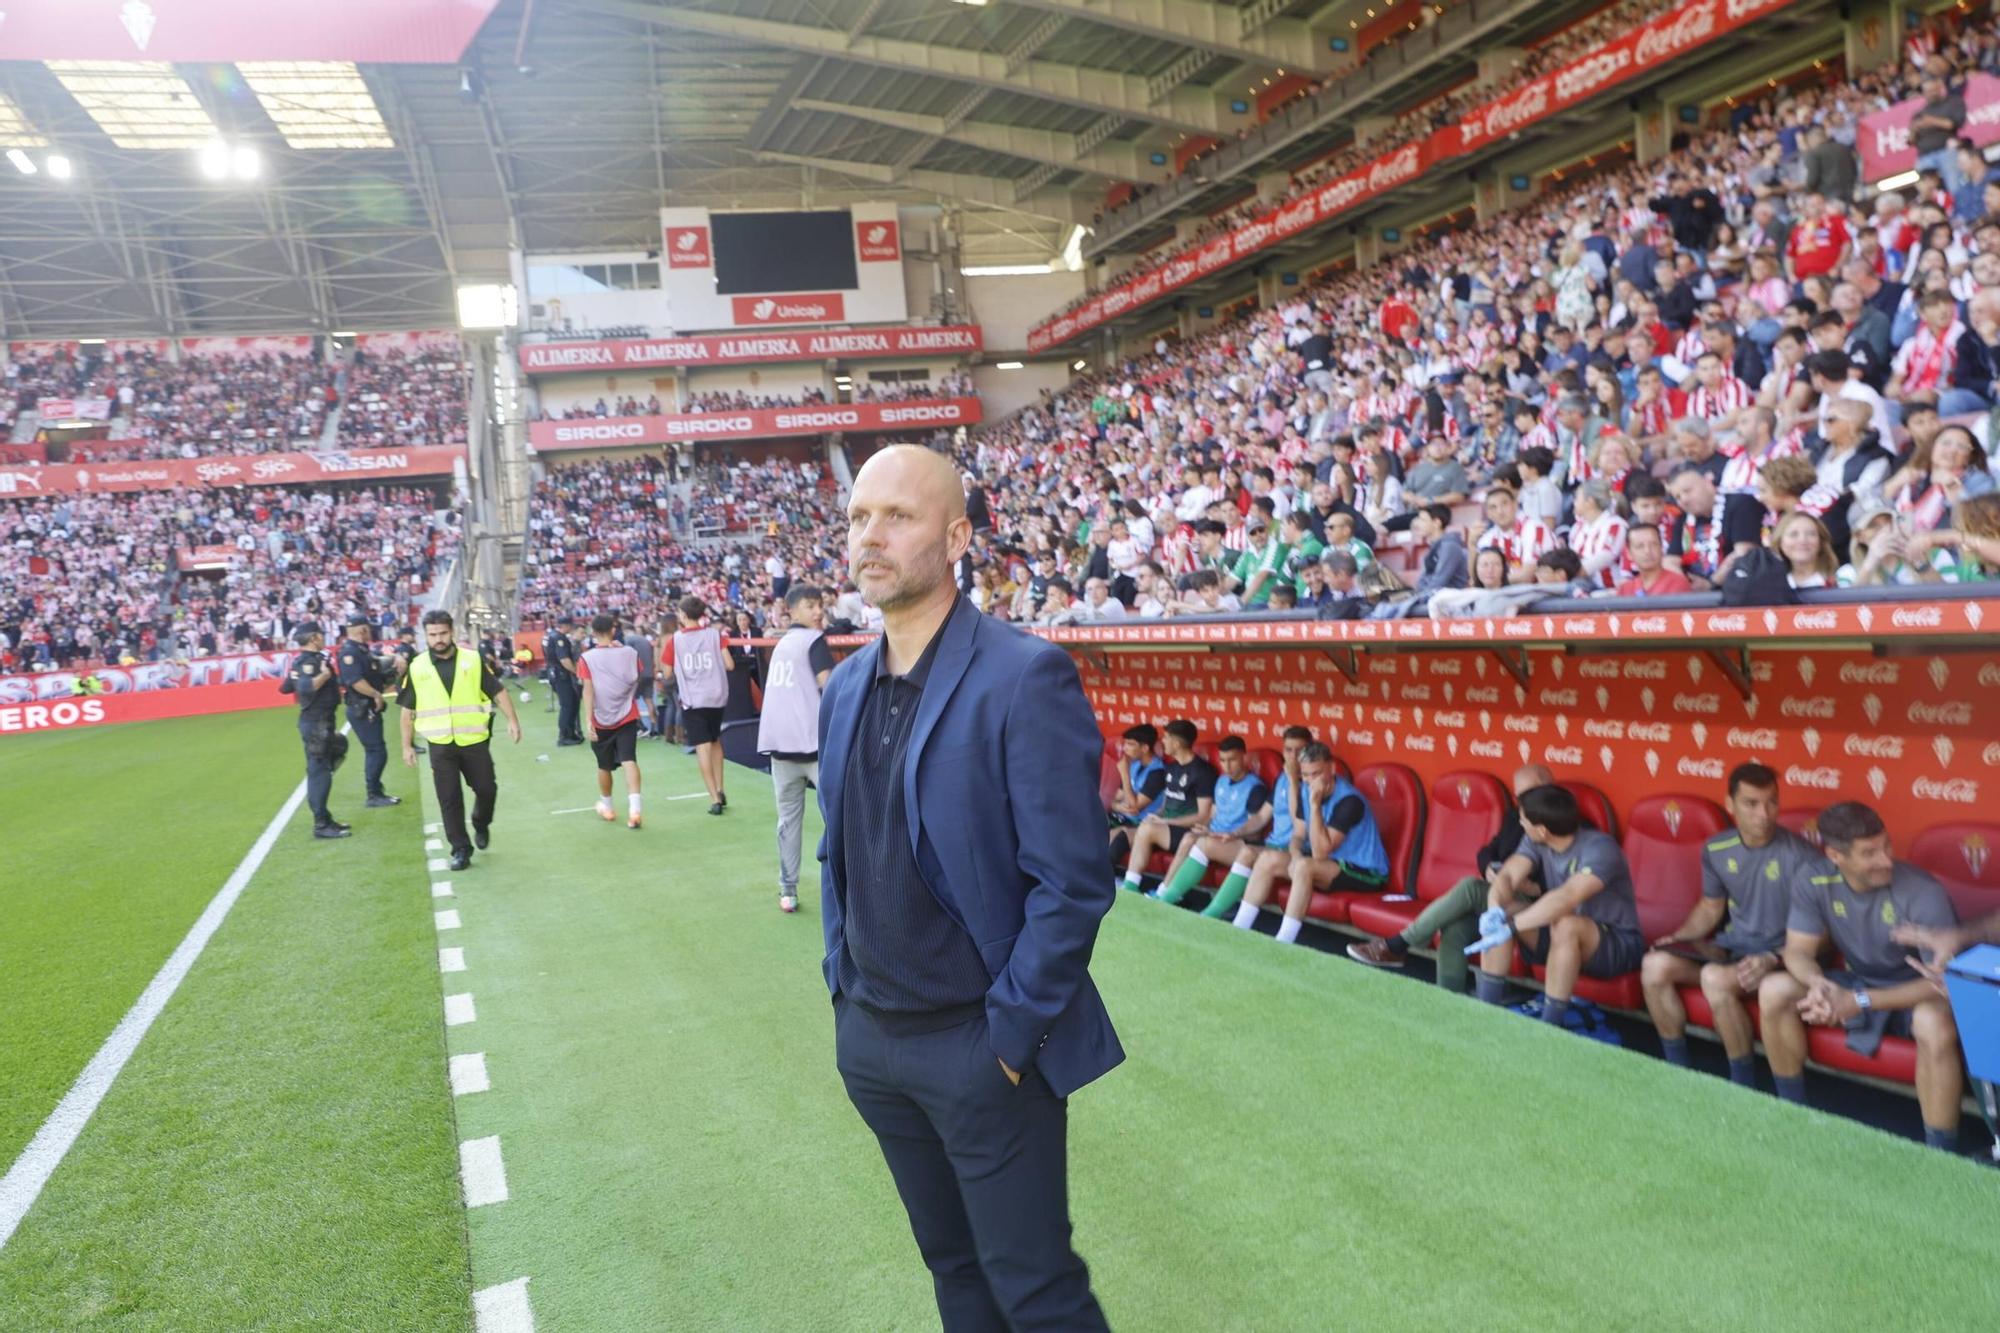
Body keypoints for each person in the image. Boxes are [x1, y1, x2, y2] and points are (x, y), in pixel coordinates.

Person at [816, 444, 1119, 1330]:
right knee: (954, 1274)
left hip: (980, 1047)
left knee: (1036, 1289)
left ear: (955, 537)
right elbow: (844, 853)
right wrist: (845, 995)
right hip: (874, 1040)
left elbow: (1073, 881)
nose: (870, 537)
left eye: (897, 516)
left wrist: (1012, 1032)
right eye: (859, 518)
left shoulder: (1024, 676)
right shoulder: (843, 689)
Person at [1758, 802, 1963, 1150]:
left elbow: (1944, 986)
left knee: (1934, 1021)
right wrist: (1818, 985)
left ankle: (1942, 1150)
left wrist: (1858, 1002)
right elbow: (1796, 951)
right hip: (1859, 983)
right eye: (1869, 853)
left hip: (1912, 995)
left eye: (1886, 846)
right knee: (1775, 988)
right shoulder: (1814, 878)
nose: (1885, 859)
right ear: (1835, 855)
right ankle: (1789, 1111)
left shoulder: (1922, 891)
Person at [1638, 764, 1820, 1088]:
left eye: (1772, 802)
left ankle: (1742, 1084)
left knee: (1715, 979)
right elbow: (1710, 908)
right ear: (1730, 804)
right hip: (1733, 949)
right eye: (1751, 803)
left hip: (1782, 958)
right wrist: (1679, 938)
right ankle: (1677, 1073)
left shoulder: (1802, 857)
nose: (1764, 814)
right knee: (1654, 966)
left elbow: (1819, 935)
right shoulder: (1717, 849)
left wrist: (1773, 958)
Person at [1346, 764, 1555, 990]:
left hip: (1533, 909)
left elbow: (1564, 886)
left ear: (1548, 789)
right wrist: (1489, 870)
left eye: (1527, 794)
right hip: (1498, 896)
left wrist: (1528, 885)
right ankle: (1448, 1002)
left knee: (1471, 887)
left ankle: (1397, 944)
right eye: (1518, 795)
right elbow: (1487, 852)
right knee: (1454, 928)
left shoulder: (1564, 823)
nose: (1521, 801)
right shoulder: (1517, 816)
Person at [1470, 785, 1646, 1031]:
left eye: (1524, 821)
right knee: (1506, 912)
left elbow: (1568, 897)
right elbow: (1508, 876)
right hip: (1560, 937)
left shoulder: (1600, 848)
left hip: (1616, 944)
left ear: (1542, 829)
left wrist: (1513, 927)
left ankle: (1549, 1029)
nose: (1521, 824)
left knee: (1566, 924)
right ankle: (1484, 1014)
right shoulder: (1536, 841)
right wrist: (1494, 910)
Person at [399, 610, 522, 872]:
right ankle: (460, 849)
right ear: (426, 636)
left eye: (443, 633)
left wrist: (512, 720)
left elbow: (497, 691)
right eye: (432, 635)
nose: (438, 639)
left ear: (452, 632)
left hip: (474, 740)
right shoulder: (418, 666)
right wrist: (406, 746)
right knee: (449, 797)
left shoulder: (473, 660)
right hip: (440, 743)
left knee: (487, 789)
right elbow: (407, 710)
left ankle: (480, 821)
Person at [1236, 741, 1388, 944]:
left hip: (1365, 871)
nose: (1309, 781)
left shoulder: (1349, 800)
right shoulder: (1304, 789)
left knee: (1306, 867)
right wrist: (1296, 855)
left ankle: (1283, 942)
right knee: (1267, 859)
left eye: (1316, 773)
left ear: (1332, 768)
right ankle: (1238, 928)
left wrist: (1315, 806)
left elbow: (1320, 853)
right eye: (1305, 775)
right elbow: (1298, 834)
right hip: (1330, 865)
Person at [756, 583, 834, 914]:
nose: (817, 611)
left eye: (819, 605)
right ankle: (849, 885)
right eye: (810, 606)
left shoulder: (782, 642)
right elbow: (829, 687)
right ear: (793, 610)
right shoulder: (813, 640)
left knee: (788, 821)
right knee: (840, 818)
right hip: (813, 747)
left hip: (780, 747)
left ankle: (787, 890)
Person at [1150, 736, 1271, 907]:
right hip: (1214, 835)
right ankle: (1164, 891)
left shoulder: (1255, 787)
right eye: (1222, 760)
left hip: (1236, 842)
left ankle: (1170, 897)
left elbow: (1255, 832)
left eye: (1232, 760)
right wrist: (1203, 828)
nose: (1227, 766)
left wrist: (1215, 834)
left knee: (1200, 842)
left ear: (1244, 757)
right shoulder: (1221, 781)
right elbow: (1212, 814)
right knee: (1189, 838)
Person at [1117, 719, 1215, 893]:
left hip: (1187, 830)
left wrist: (1166, 822)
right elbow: (1167, 802)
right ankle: (1129, 885)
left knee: (1147, 829)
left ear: (1176, 743)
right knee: (1128, 832)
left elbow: (1203, 815)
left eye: (1166, 738)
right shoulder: (1172, 768)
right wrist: (1158, 816)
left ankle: (1155, 890)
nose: (1163, 742)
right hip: (1167, 827)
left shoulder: (1202, 771)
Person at [282, 625, 350, 840]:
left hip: (319, 721)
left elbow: (284, 688)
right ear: (313, 638)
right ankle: (321, 824)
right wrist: (324, 675)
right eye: (320, 635)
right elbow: (305, 687)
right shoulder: (309, 662)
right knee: (319, 772)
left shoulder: (299, 661)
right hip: (316, 723)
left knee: (335, 752)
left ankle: (325, 819)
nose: (323, 638)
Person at [578, 613, 644, 830]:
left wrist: (588, 720)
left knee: (604, 765)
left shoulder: (587, 658)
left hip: (600, 717)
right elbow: (638, 674)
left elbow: (588, 690)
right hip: (627, 714)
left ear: (594, 633)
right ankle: (635, 809)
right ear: (613, 630)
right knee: (629, 760)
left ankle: (607, 806)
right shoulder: (629, 653)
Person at [670, 595, 733, 815]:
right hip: (716, 697)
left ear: (684, 615)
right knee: (715, 742)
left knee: (702, 747)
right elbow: (729, 663)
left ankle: (714, 798)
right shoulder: (715, 635)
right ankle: (721, 787)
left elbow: (668, 671)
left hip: (693, 700)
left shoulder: (676, 640)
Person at [335, 613, 401, 808]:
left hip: (366, 706)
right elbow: (355, 681)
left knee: (377, 749)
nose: (370, 631)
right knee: (376, 750)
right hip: (361, 707)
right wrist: (375, 695)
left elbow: (374, 673)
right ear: (362, 630)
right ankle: (374, 794)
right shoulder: (350, 653)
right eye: (368, 628)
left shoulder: (360, 651)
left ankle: (376, 792)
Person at [1613, 523, 1694, 597]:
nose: (1647, 551)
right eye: (1640, 546)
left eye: (1653, 544)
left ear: (1661, 547)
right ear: (1629, 553)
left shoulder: (1678, 583)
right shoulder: (1625, 589)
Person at [543, 615, 584, 746]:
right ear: (566, 625)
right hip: (561, 676)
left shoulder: (556, 636)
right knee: (567, 705)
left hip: (560, 675)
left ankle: (571, 734)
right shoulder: (559, 638)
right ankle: (565, 736)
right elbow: (565, 660)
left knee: (571, 703)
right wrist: (577, 673)